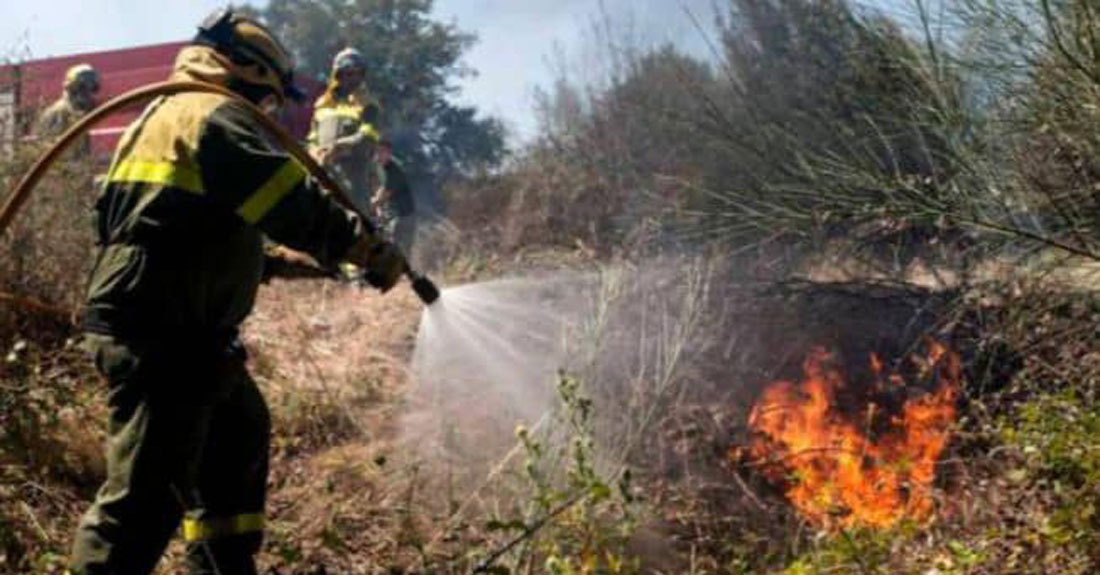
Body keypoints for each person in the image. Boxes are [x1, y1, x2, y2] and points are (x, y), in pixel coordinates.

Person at [69, 9, 406, 575]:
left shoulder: (173, 113)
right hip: (165, 330)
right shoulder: (214, 116)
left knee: (236, 441)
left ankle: (222, 567)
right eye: (270, 96)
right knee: (145, 501)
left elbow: (192, 226)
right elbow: (289, 201)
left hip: (182, 324)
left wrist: (303, 266)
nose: (270, 110)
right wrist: (365, 248)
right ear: (246, 71)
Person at [307, 47, 381, 215]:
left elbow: (367, 135)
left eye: (357, 73)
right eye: (348, 73)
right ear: (337, 74)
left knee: (355, 227)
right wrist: (314, 153)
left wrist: (338, 147)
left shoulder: (369, 104)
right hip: (322, 176)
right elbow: (312, 137)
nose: (353, 78)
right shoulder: (322, 104)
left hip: (353, 182)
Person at [35, 63, 100, 153]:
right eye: (82, 88)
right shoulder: (56, 112)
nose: (88, 94)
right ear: (71, 88)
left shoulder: (79, 115)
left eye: (91, 88)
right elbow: (43, 146)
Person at [371, 139, 417, 254]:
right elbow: (381, 187)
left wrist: (374, 203)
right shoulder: (379, 166)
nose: (378, 155)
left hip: (404, 215)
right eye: (376, 152)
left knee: (397, 249)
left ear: (389, 153)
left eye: (382, 152)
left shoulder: (396, 170)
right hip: (392, 212)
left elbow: (385, 193)